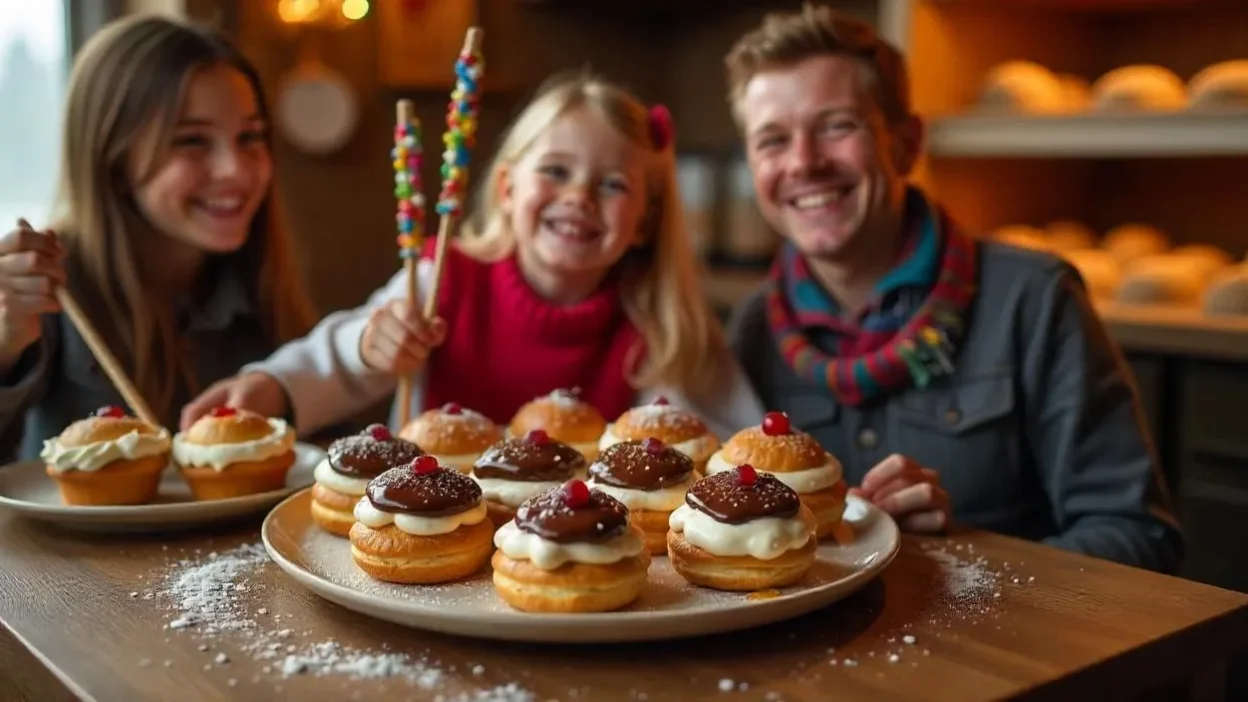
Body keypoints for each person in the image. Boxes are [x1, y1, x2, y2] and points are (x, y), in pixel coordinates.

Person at [722, 4, 1182, 573]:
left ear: (906, 144)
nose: (804, 163)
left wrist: (959, 557)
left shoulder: (1034, 300)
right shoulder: (751, 330)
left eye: (837, 126)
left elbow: (1140, 538)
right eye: (772, 140)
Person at [182, 72, 762, 439]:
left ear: (644, 222)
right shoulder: (444, 280)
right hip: (428, 540)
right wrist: (276, 387)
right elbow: (346, 358)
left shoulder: (659, 323)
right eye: (555, 171)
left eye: (613, 185)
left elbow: (722, 442)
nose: (579, 197)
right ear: (508, 191)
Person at [0, 15, 316, 462]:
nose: (237, 170)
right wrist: (7, 344)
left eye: (250, 136)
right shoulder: (49, 286)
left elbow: (322, 450)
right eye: (192, 141)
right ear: (113, 159)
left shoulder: (258, 279)